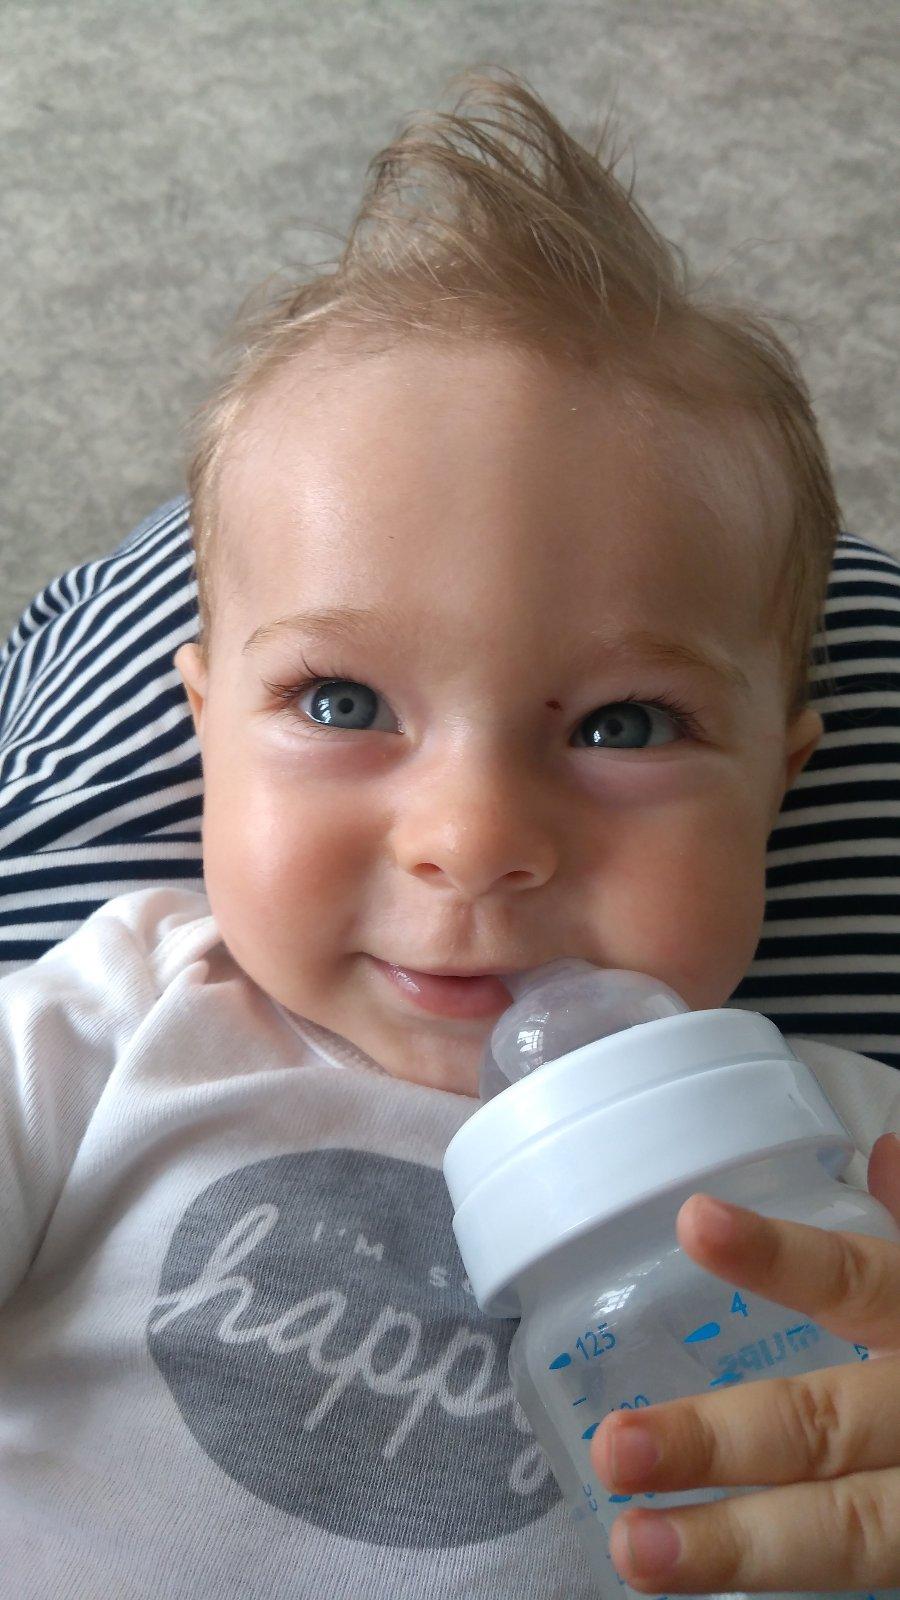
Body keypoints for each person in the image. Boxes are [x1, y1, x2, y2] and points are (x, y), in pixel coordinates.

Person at [0, 68, 897, 1599]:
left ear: (779, 780)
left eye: (626, 725)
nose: (472, 841)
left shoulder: (842, 1154)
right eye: (342, 702)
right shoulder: (115, 1020)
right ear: (204, 729)